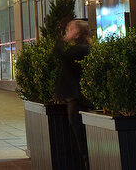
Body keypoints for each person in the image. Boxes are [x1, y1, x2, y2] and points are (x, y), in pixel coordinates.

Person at [56, 19, 93, 170]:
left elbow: (58, 54)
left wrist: (64, 40)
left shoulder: (79, 50)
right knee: (80, 139)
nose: (67, 33)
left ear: (77, 34)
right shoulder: (82, 48)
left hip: (77, 101)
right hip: (77, 99)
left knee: (82, 141)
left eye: (70, 30)